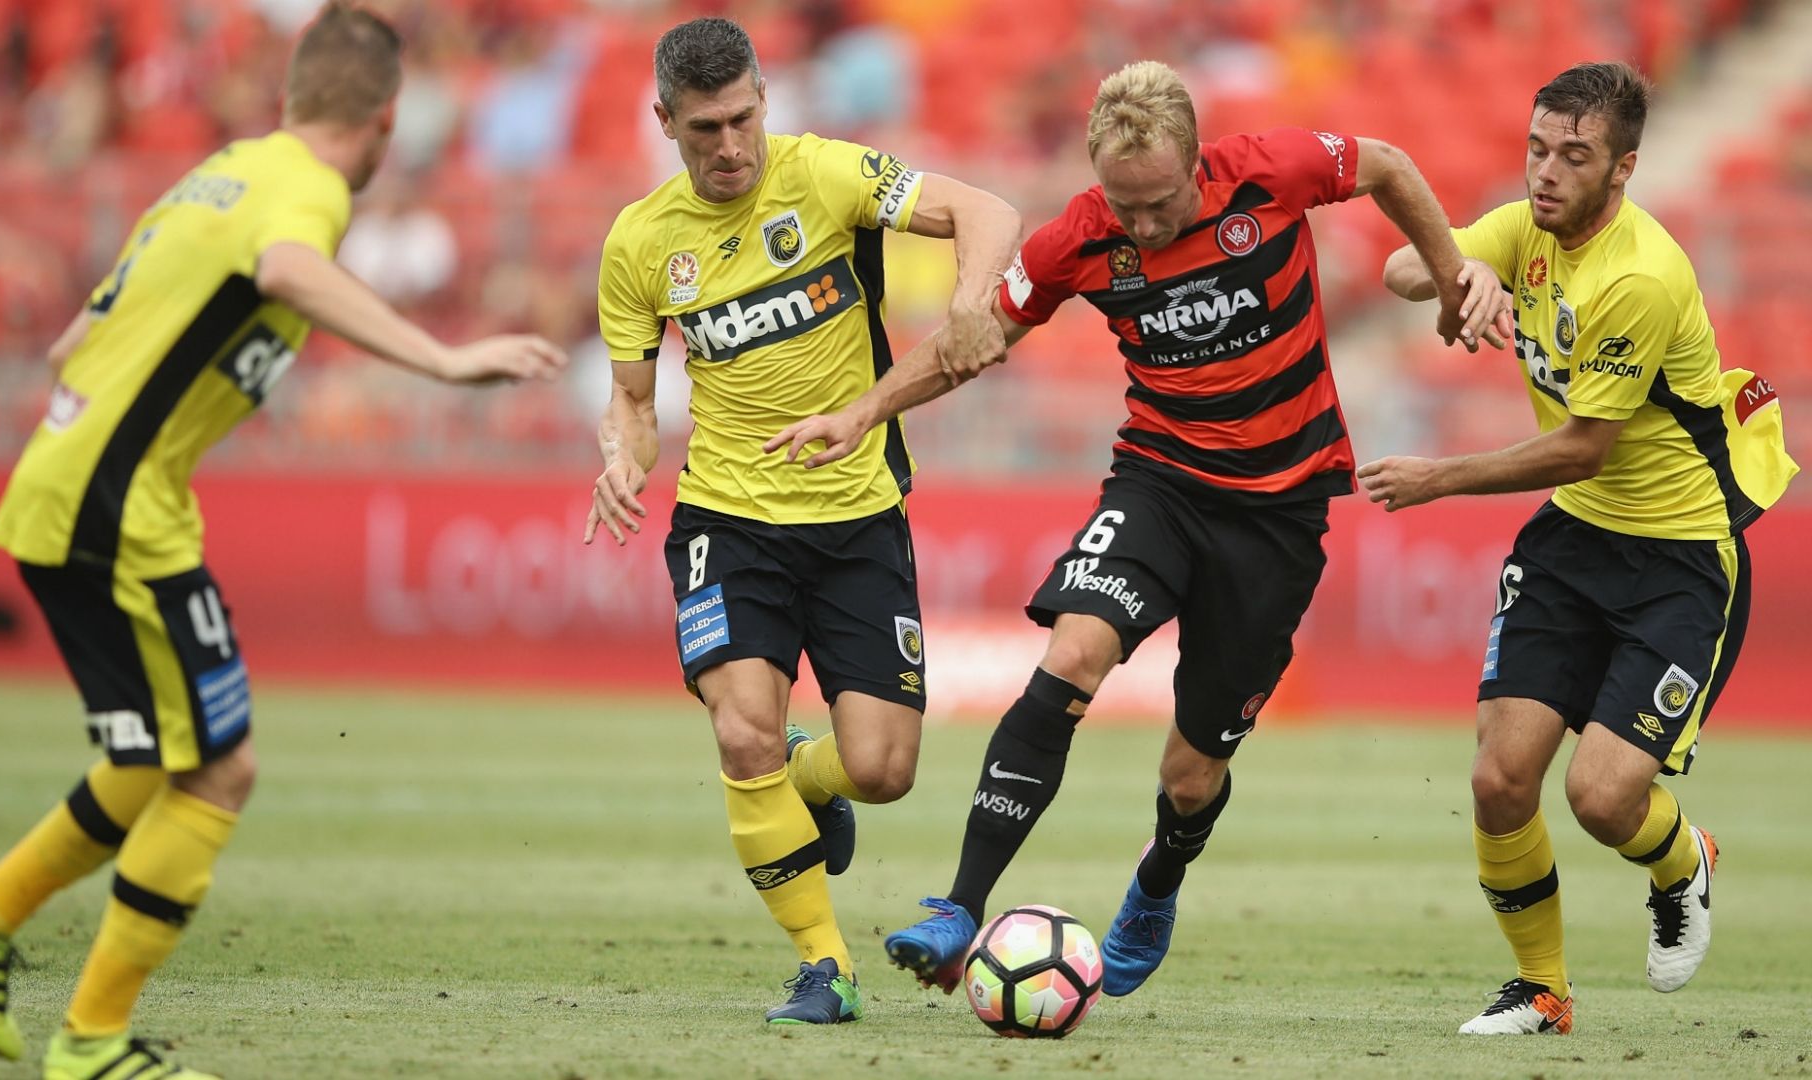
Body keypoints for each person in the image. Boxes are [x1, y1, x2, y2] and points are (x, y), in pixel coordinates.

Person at [0, 6, 566, 1078]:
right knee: (220, 770)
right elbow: (286, 274)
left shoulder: (217, 172)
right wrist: (444, 361)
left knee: (144, 760)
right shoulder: (303, 193)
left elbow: (77, 337)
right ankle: (91, 1041)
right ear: (388, 120)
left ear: (291, 95)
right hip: (121, 506)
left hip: (72, 483)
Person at [766, 59, 1499, 1001]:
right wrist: (868, 412)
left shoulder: (1274, 168)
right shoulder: (1081, 234)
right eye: (1126, 206)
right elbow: (974, 339)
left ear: (1200, 163)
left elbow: (1390, 164)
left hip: (1280, 513)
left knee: (1192, 776)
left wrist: (1448, 278)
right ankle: (957, 909)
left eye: (1159, 205)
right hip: (1159, 485)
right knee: (1073, 654)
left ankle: (1157, 882)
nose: (1143, 227)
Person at [584, 17, 1020, 1026]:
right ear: (665, 122)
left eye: (741, 119)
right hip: (726, 520)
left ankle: (809, 781)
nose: (729, 147)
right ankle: (826, 968)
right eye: (703, 130)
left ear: (765, 98)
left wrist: (967, 299)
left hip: (859, 514)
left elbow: (986, 209)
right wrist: (619, 458)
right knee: (744, 737)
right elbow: (638, 406)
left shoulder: (827, 176)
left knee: (882, 769)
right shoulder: (640, 243)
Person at [1362, 61, 1797, 1036]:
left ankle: (1684, 862)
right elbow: (1396, 271)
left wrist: (1438, 478)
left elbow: (1582, 445)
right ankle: (1544, 992)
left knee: (1602, 797)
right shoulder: (1530, 224)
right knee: (1497, 779)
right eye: (1535, 149)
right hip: (1575, 540)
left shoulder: (1640, 276)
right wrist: (1458, 266)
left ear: (1624, 169)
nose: (1546, 173)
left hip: (1680, 557)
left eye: (1575, 156)